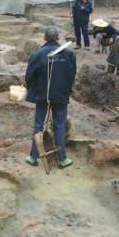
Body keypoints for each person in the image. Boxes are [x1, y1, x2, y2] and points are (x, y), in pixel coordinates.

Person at [24, 26, 76, 169]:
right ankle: (62, 159)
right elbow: (72, 75)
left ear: (44, 38)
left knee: (39, 125)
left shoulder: (38, 54)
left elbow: (29, 76)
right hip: (60, 96)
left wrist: (33, 90)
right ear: (58, 38)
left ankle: (33, 157)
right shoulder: (69, 54)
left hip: (42, 95)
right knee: (59, 125)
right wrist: (66, 91)